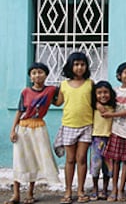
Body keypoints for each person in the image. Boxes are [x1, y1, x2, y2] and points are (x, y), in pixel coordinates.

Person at [5, 62, 60, 204]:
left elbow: (59, 102)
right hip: (23, 128)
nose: (37, 75)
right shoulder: (25, 92)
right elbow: (19, 111)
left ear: (46, 75)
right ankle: (16, 195)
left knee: (34, 160)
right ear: (30, 77)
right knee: (19, 160)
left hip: (39, 127)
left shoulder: (51, 90)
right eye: (34, 73)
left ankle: (30, 193)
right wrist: (13, 129)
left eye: (40, 72)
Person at [54, 52, 94, 204]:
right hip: (69, 125)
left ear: (86, 66)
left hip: (86, 126)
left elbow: (95, 103)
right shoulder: (64, 85)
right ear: (70, 66)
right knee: (70, 160)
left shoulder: (90, 84)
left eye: (82, 64)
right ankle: (68, 190)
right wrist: (44, 94)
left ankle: (81, 190)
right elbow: (57, 102)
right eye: (76, 64)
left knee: (81, 158)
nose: (79, 67)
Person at [101, 62, 126, 202]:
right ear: (119, 75)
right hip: (116, 131)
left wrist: (111, 116)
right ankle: (114, 189)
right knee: (115, 161)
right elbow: (101, 100)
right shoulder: (114, 91)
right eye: (125, 72)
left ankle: (122, 189)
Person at [89, 81, 117, 201]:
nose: (102, 95)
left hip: (110, 140)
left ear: (110, 93)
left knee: (108, 167)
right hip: (96, 140)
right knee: (96, 166)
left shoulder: (114, 107)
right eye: (99, 93)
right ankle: (95, 188)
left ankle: (105, 189)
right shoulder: (94, 107)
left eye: (105, 92)